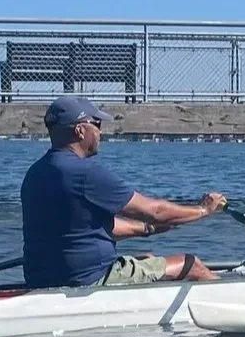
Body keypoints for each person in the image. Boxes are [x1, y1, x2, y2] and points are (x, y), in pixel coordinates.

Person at [20, 95, 228, 288]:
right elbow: (155, 211)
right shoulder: (85, 173)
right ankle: (233, 303)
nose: (100, 132)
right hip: (88, 280)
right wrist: (203, 210)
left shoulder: (36, 173)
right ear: (80, 131)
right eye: (97, 125)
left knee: (146, 259)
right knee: (191, 264)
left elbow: (84, 228)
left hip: (43, 279)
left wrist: (147, 229)